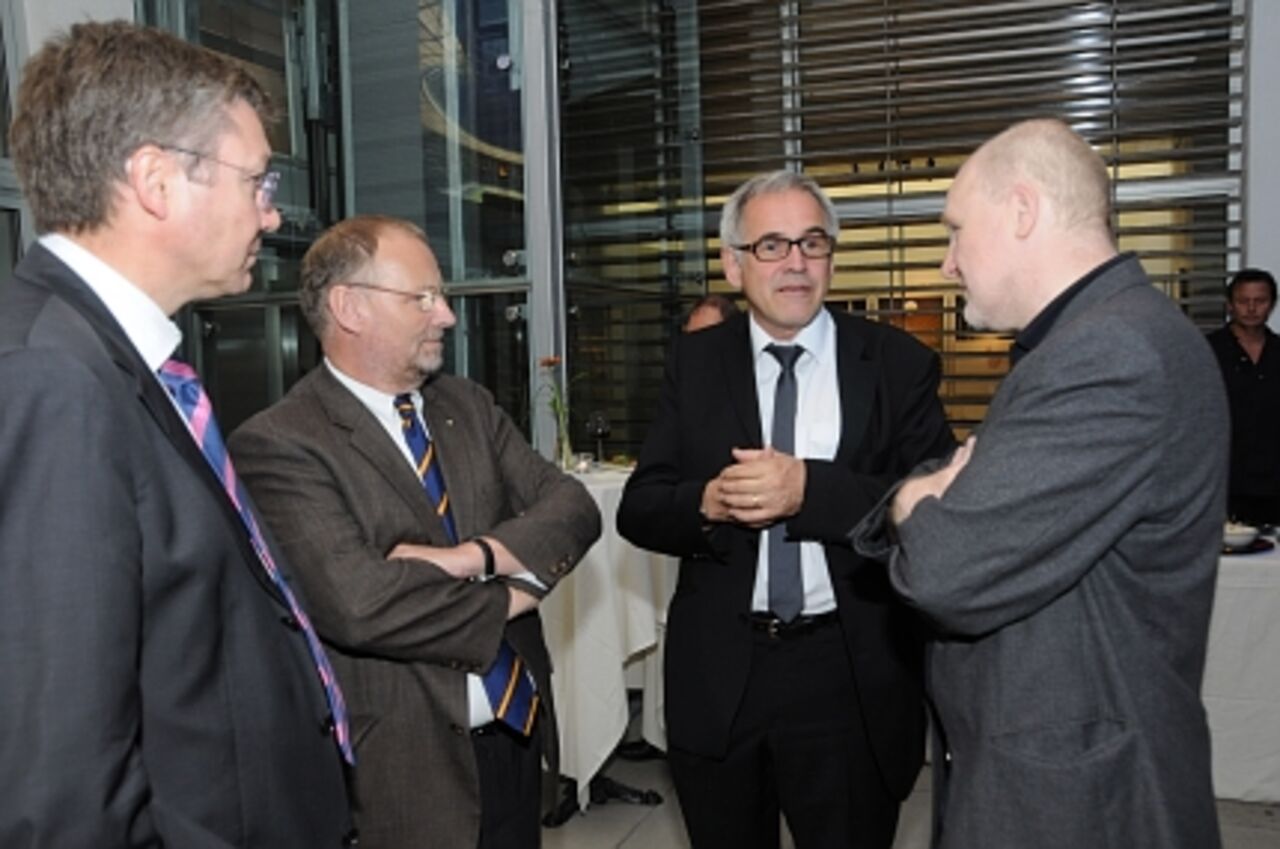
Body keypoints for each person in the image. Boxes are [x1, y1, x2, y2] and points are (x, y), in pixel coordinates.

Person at [0, 20, 354, 848]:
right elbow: (61, 782)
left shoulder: (116, 358)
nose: (270, 217)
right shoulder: (50, 379)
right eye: (258, 182)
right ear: (155, 180)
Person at [851, 119, 1227, 849]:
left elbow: (944, 570)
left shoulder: (1108, 351)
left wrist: (906, 501)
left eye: (956, 231)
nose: (946, 264)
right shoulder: (1090, 339)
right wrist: (937, 497)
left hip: (1083, 800)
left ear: (1022, 211)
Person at [228, 214, 601, 849]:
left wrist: (469, 557)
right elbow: (363, 607)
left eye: (443, 295)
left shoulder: (468, 406)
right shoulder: (280, 443)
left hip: (515, 737)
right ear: (350, 307)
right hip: (404, 772)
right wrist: (514, 589)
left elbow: (572, 506)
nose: (447, 316)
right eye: (422, 297)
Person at [617, 170, 955, 849]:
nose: (796, 261)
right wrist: (707, 501)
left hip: (849, 671)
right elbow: (642, 507)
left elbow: (939, 505)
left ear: (831, 256)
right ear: (734, 263)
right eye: (772, 245)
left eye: (811, 242)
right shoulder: (696, 361)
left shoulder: (896, 362)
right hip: (722, 671)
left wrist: (812, 492)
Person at [1207, 267, 1280, 525]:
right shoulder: (1208, 351)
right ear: (1230, 305)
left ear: (1271, 305)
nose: (1251, 308)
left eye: (1259, 301)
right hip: (1224, 482)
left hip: (1274, 483)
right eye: (1243, 301)